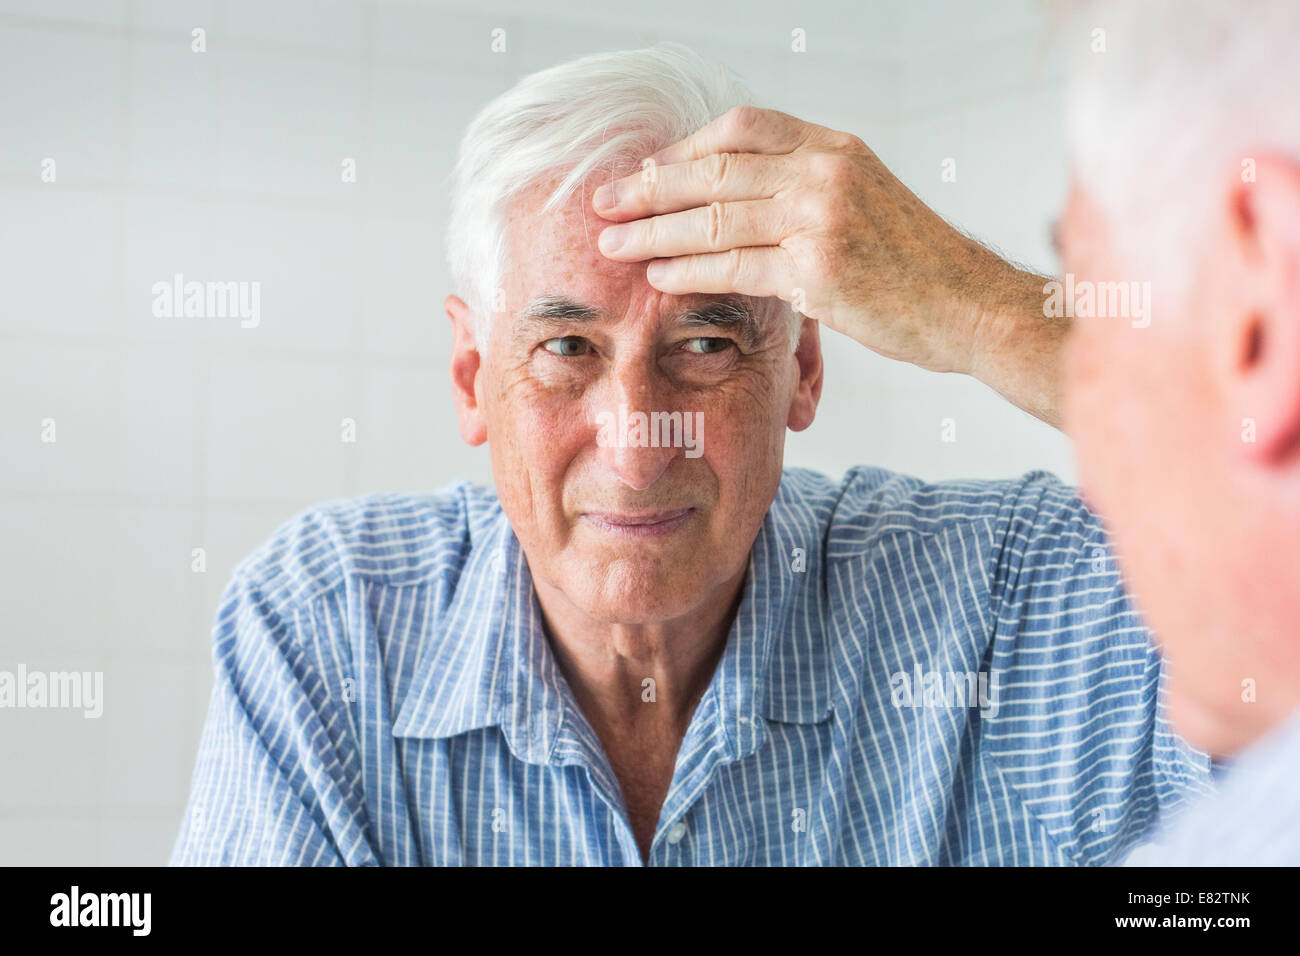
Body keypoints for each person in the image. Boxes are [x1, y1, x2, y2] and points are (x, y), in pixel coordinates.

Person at [171, 42, 1213, 867]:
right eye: (566, 348)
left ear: (800, 367)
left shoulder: (998, 607)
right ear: (469, 377)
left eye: (705, 345)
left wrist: (978, 309)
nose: (634, 444)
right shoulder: (328, 626)